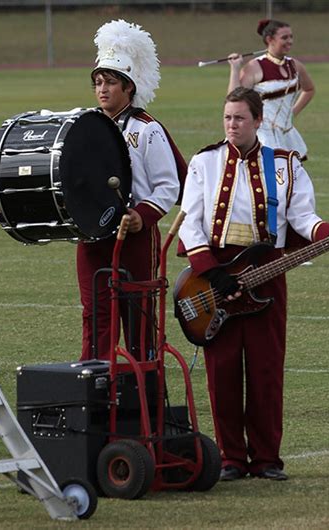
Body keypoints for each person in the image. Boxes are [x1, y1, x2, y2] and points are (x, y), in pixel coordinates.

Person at [178, 87, 329, 481]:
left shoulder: (285, 164)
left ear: (258, 121)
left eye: (239, 118)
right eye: (227, 117)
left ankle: (265, 459)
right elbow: (191, 223)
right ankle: (230, 458)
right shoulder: (204, 162)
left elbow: (303, 218)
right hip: (216, 277)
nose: (231, 125)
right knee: (222, 372)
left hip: (268, 275)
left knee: (265, 372)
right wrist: (214, 274)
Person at [77, 19, 185, 361]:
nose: (102, 89)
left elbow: (170, 183)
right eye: (98, 82)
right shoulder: (85, 126)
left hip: (135, 238)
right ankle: (95, 386)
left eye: (110, 82)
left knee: (137, 316)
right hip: (93, 237)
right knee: (95, 314)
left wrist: (142, 215)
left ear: (129, 87)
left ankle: (144, 390)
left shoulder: (147, 129)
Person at [227, 18, 315, 160]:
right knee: (269, 178)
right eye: (284, 37)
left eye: (291, 37)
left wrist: (292, 113)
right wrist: (235, 69)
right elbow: (234, 99)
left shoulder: (295, 65)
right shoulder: (255, 67)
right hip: (263, 134)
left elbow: (309, 89)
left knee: (292, 178)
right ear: (269, 39)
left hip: (287, 134)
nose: (290, 41)